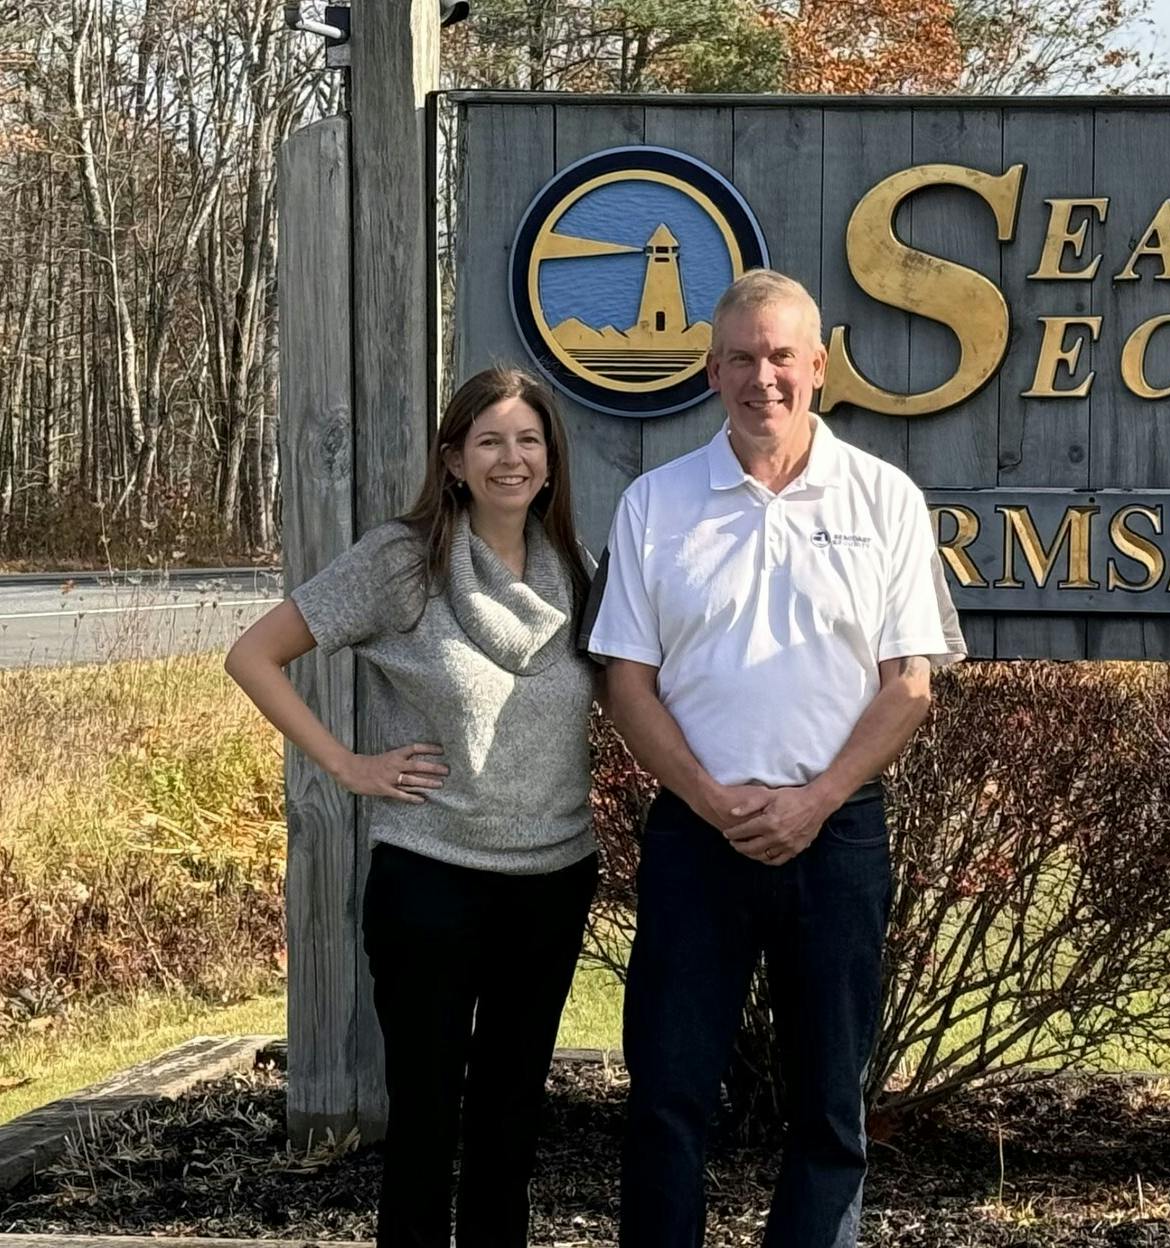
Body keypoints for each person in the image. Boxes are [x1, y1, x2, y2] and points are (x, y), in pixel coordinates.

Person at [587, 269, 963, 1248]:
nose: (764, 378)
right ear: (711, 372)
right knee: (667, 1099)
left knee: (828, 1110)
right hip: (694, 838)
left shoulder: (884, 499)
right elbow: (627, 685)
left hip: (834, 836)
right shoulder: (655, 504)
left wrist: (815, 799)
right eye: (743, 359)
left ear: (819, 368)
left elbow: (909, 684)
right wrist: (715, 803)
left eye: (782, 357)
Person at [226, 366, 601, 1248]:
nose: (512, 459)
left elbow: (624, 695)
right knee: (426, 1126)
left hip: (553, 879)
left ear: (550, 459)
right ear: (455, 461)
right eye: (490, 442)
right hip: (432, 882)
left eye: (528, 440)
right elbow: (253, 655)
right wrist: (349, 767)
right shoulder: (403, 562)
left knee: (512, 1123)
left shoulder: (576, 568)